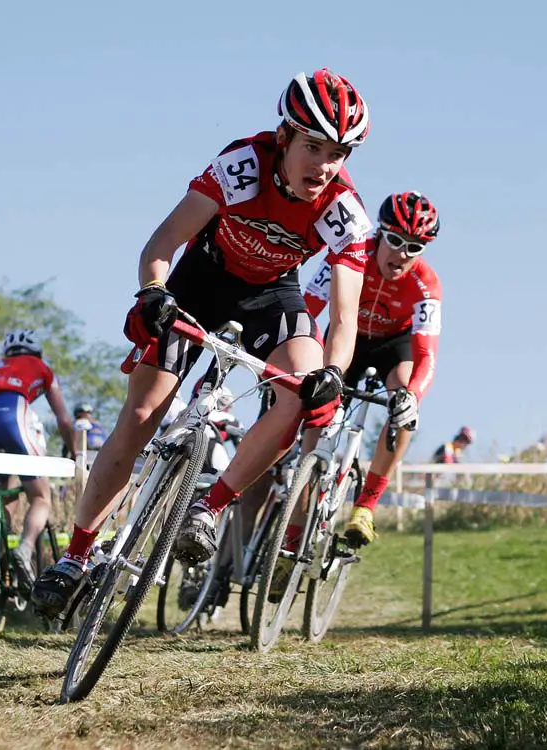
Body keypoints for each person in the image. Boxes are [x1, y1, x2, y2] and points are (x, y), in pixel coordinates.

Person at [31, 68, 372, 618]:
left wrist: (331, 373)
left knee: (298, 396)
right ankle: (75, 557)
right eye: (313, 146)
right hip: (200, 281)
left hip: (271, 296)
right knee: (141, 414)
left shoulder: (344, 213)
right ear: (284, 137)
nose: (324, 165)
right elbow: (163, 242)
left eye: (338, 153)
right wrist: (152, 293)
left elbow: (346, 317)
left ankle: (208, 507)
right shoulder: (242, 165)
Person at [303, 191, 444, 547]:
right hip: (345, 337)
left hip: (390, 346)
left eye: (414, 247)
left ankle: (365, 506)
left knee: (405, 404)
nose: (401, 254)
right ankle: (293, 525)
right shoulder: (352, 255)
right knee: (316, 418)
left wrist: (412, 395)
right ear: (380, 233)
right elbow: (307, 310)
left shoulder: (427, 285)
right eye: (395, 241)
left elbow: (426, 354)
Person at [0, 330, 75, 591]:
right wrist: (74, 450)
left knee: (5, 497)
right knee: (41, 497)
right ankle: (25, 549)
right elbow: (62, 418)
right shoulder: (42, 367)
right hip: (11, 418)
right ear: (37, 351)